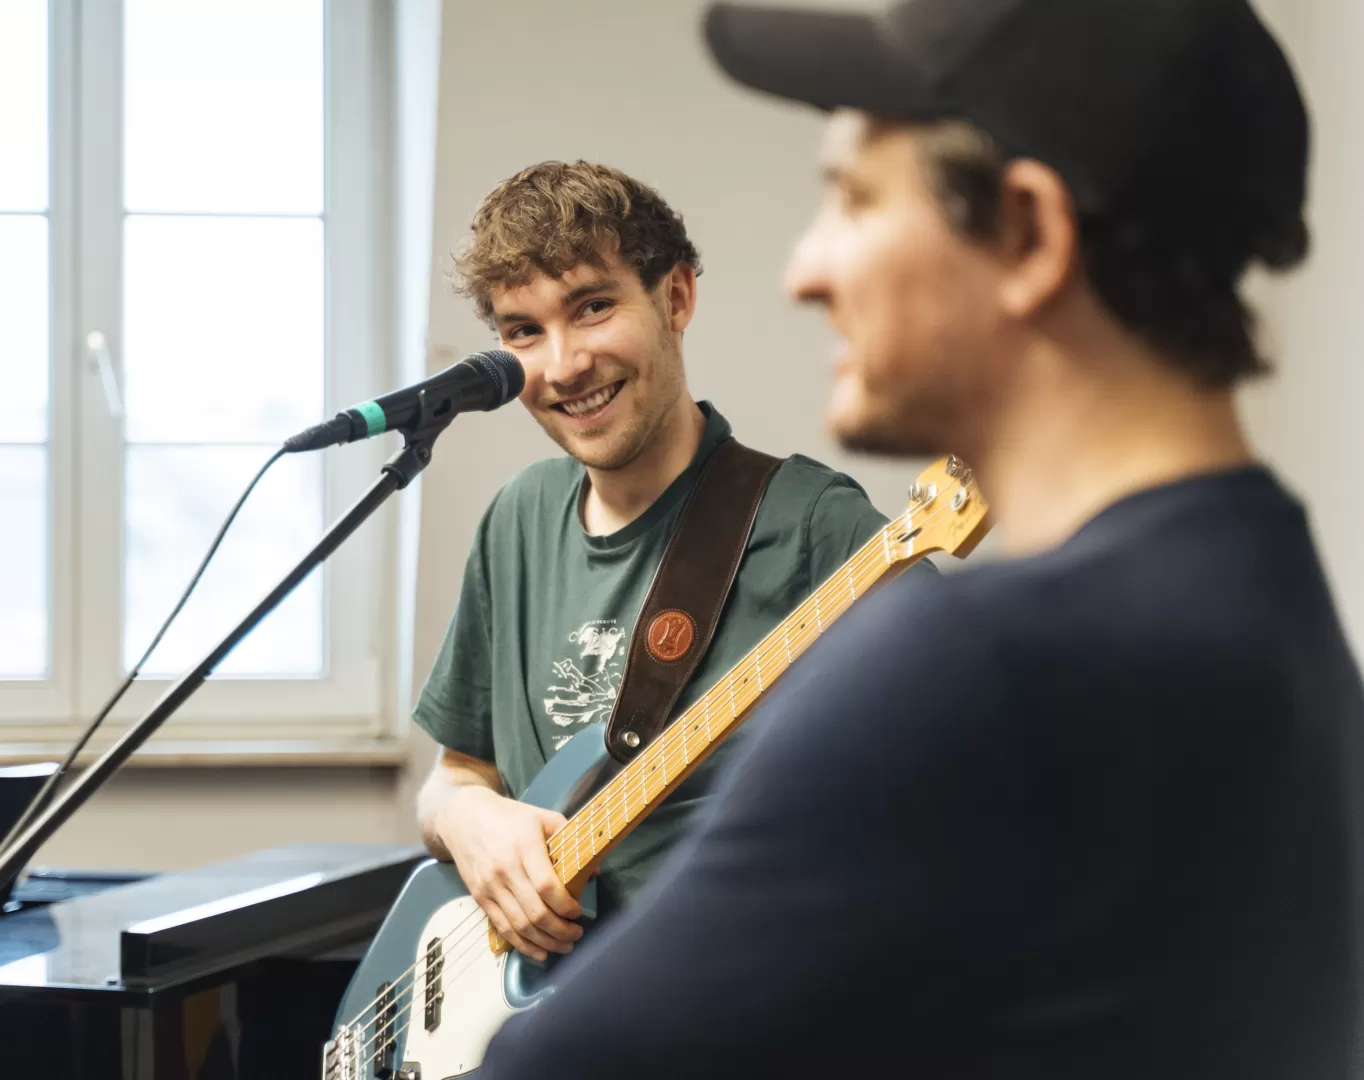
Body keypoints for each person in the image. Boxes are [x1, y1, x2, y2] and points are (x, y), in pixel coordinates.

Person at [481, 0, 1364, 1077]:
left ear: (1030, 237)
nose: (806, 270)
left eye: (852, 199)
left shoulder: (987, 665)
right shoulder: (1268, 602)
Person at [414, 160, 919, 962]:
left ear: (676, 298)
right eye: (524, 331)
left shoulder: (816, 528)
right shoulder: (519, 517)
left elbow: (959, 795)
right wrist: (470, 819)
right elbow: (454, 773)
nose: (566, 364)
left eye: (593, 307)